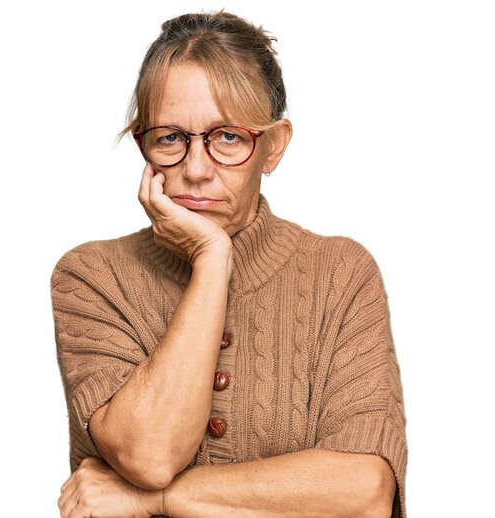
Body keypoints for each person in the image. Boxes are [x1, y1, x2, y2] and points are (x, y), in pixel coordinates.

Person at [51, 10, 407, 518]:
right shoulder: (90, 276)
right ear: (144, 147)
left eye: (228, 137)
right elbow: (150, 454)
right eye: (170, 138)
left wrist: (155, 500)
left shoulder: (342, 274)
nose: (196, 170)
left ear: (274, 146)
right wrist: (212, 259)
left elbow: (366, 492)